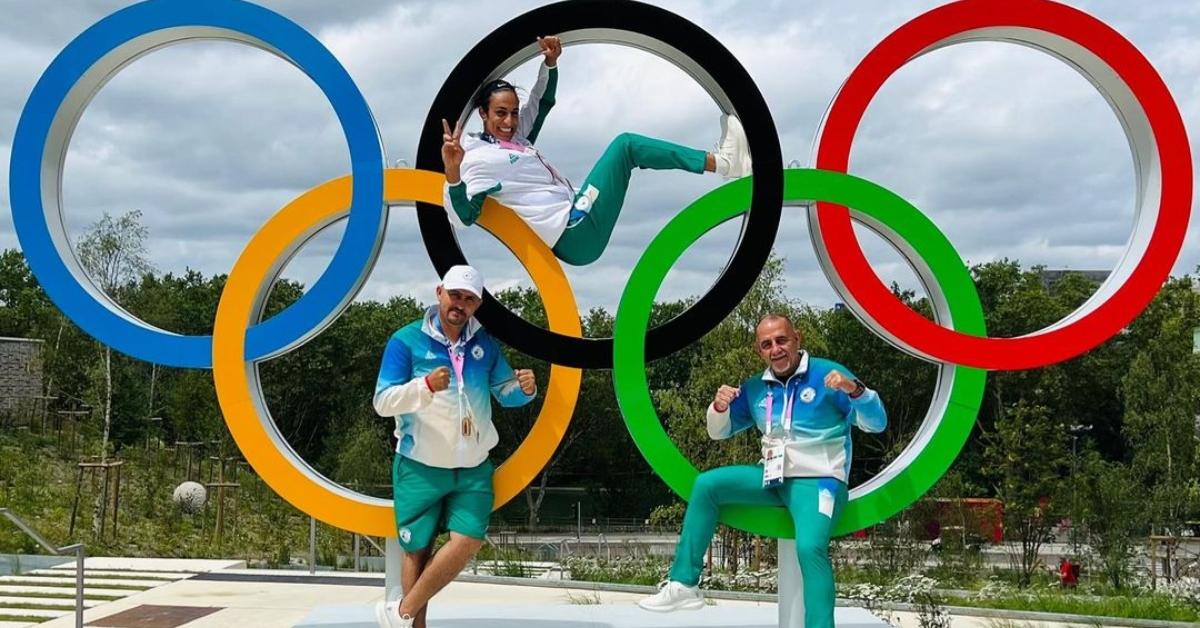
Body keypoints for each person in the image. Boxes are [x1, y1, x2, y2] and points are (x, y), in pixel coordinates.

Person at [638, 314, 887, 628]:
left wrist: (854, 390)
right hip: (773, 476)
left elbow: (877, 423)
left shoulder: (828, 375)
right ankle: (683, 585)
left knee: (810, 548)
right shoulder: (756, 388)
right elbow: (720, 431)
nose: (776, 349)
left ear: (797, 338)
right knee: (706, 486)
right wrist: (718, 407)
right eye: (766, 344)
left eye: (781, 340)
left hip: (819, 480)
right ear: (760, 351)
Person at [440, 35, 752, 267]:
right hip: (574, 230)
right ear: (483, 113)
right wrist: (453, 173)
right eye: (500, 114)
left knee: (626, 149)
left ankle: (723, 163)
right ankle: (723, 163)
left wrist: (550, 63)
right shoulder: (478, 157)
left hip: (575, 217)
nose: (509, 121)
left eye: (513, 112)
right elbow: (463, 217)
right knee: (626, 146)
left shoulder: (513, 140)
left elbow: (540, 105)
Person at [372, 265, 537, 628]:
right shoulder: (406, 341)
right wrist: (424, 387)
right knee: (417, 550)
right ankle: (412, 622)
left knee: (468, 541)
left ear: (477, 304)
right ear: (439, 293)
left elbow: (505, 394)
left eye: (469, 299)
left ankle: (400, 612)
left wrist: (524, 389)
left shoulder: (484, 345)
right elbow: (382, 402)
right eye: (455, 295)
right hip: (420, 463)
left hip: (473, 465)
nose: (460, 305)